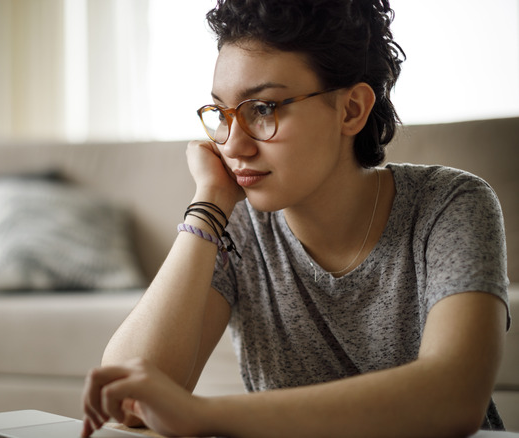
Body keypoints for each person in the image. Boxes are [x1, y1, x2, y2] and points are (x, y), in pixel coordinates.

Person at [81, 0, 511, 437]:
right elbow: (126, 401)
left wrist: (205, 415)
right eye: (222, 114)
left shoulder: (450, 204)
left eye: (263, 109)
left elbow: (454, 396)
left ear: (351, 110)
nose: (233, 145)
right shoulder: (235, 226)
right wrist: (209, 202)